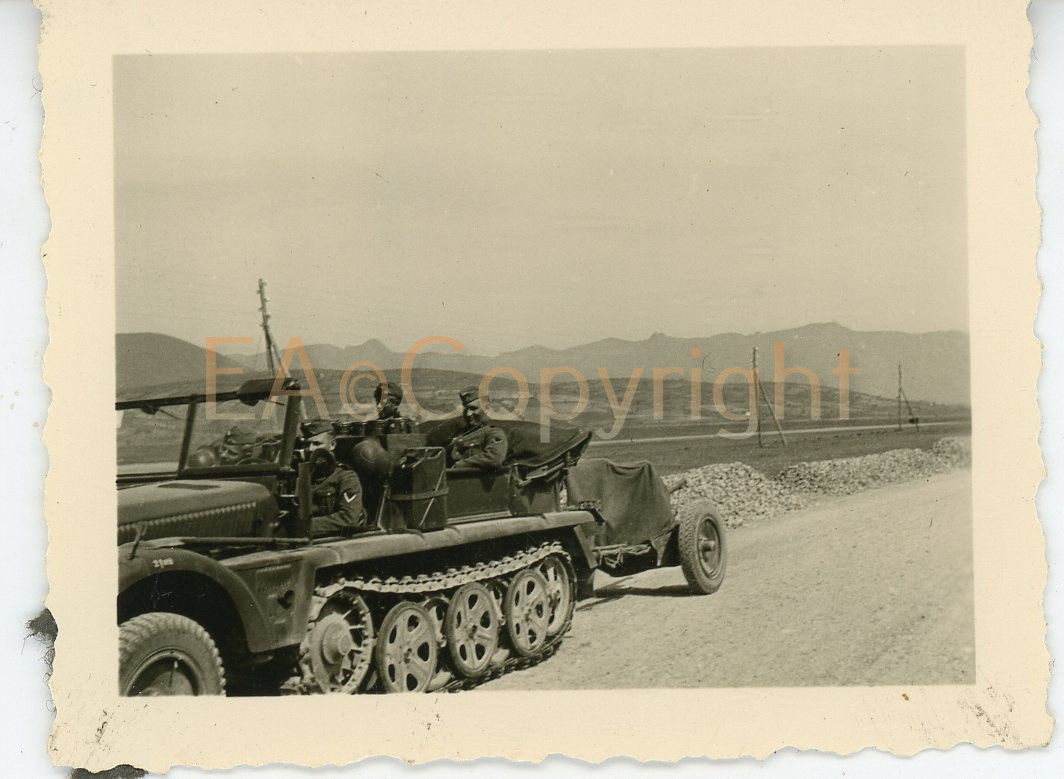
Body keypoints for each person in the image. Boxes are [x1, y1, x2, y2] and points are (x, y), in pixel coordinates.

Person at [300, 419, 367, 536]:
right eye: (307, 444)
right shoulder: (302, 477)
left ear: (332, 445)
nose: (310, 449)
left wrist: (304, 526)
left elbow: (348, 519)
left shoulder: (346, 477)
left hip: (334, 539)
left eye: (317, 444)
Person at [448, 385, 508, 470]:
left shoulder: (493, 432)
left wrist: (460, 464)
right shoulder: (462, 433)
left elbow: (494, 458)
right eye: (466, 409)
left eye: (473, 408)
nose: (468, 414)